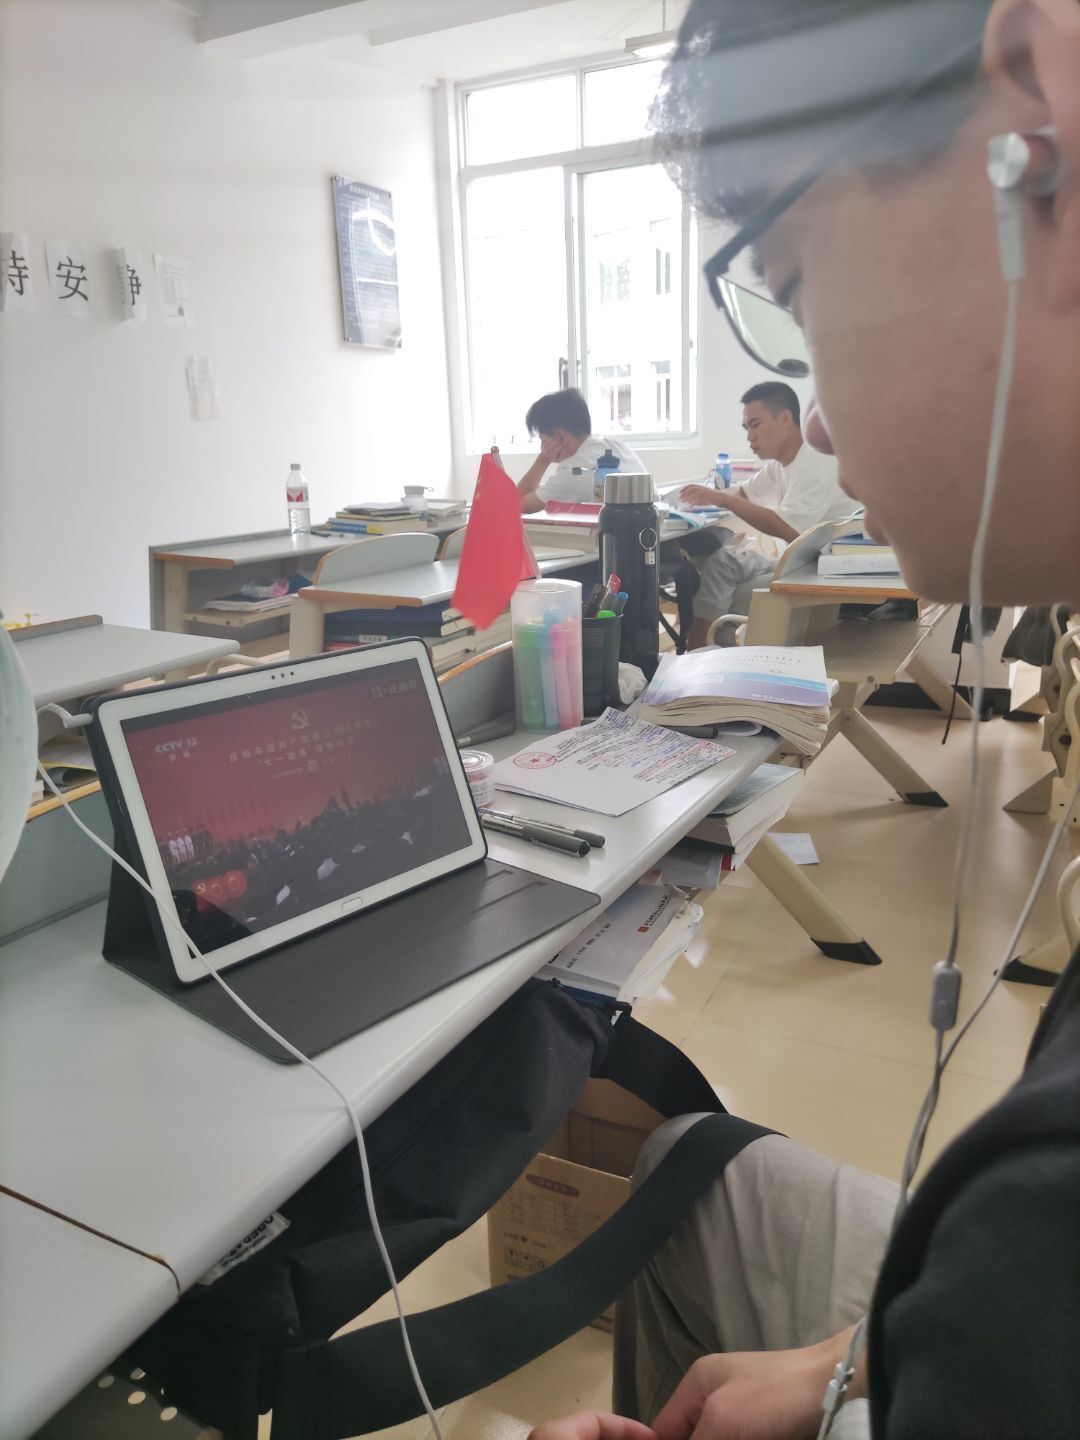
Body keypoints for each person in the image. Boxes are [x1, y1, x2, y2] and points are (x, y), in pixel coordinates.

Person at [529, 1, 1080, 1437]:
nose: (819, 421)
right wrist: (849, 1365)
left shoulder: (1036, 1222)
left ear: (1045, 117)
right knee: (691, 1165)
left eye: (794, 283)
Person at [679, 383, 853, 648]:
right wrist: (702, 498)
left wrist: (722, 499)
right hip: (797, 562)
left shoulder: (816, 460)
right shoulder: (779, 464)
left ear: (785, 418)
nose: (750, 436)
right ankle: (698, 651)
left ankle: (701, 655)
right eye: (746, 428)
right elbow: (743, 493)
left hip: (819, 570)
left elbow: (790, 529)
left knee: (734, 596)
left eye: (755, 424)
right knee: (721, 563)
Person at [515, 388, 649, 514]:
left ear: (561, 437)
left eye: (542, 439)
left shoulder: (573, 472)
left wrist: (543, 460)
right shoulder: (616, 445)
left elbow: (515, 504)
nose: (542, 446)